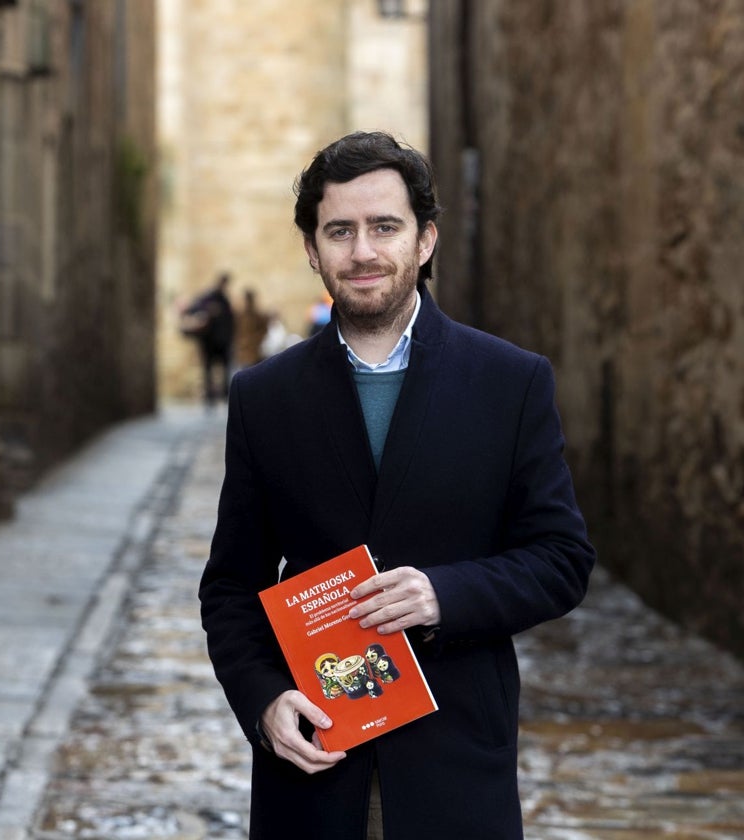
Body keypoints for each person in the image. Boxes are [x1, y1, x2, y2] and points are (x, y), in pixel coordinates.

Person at [198, 131, 595, 840]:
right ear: (313, 250)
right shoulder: (265, 397)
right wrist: (262, 702)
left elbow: (562, 559)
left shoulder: (509, 382)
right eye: (340, 231)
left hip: (456, 766)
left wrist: (444, 594)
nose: (363, 251)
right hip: (316, 772)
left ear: (426, 240)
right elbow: (232, 587)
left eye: (386, 227)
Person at [181, 272, 235, 406]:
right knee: (208, 370)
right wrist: (208, 311)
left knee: (224, 370)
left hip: (222, 342)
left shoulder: (224, 299)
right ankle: (210, 398)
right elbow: (193, 309)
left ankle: (224, 395)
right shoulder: (207, 297)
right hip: (209, 342)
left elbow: (230, 321)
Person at [233, 287, 272, 369]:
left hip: (254, 350)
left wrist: (255, 340)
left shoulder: (258, 316)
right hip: (242, 350)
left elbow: (264, 330)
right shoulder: (240, 316)